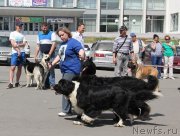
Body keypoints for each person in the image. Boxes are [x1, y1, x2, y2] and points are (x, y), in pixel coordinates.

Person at [48, 27, 85, 116]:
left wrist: (81, 55)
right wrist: (52, 63)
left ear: (67, 33)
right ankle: (75, 110)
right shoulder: (62, 44)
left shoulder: (73, 42)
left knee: (64, 88)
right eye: (60, 36)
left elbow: (81, 50)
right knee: (72, 90)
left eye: (62, 35)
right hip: (65, 70)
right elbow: (59, 56)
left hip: (72, 69)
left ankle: (65, 110)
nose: (61, 37)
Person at [34, 22, 57, 90]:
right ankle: (44, 84)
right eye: (43, 26)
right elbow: (38, 46)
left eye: (46, 26)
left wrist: (49, 54)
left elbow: (54, 44)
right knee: (43, 70)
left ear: (48, 27)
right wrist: (35, 56)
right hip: (42, 54)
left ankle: (52, 84)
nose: (44, 28)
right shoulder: (39, 35)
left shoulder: (52, 33)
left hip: (50, 54)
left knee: (51, 69)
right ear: (41, 27)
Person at [7, 22, 27, 89]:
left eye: (21, 26)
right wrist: (18, 50)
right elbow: (13, 43)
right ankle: (10, 83)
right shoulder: (12, 33)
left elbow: (24, 44)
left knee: (20, 67)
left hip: (23, 52)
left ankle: (17, 82)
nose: (20, 27)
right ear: (16, 26)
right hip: (14, 52)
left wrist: (18, 45)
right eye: (19, 26)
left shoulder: (23, 35)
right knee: (12, 67)